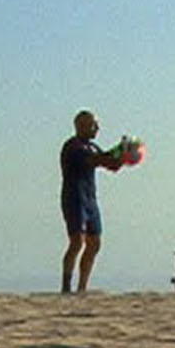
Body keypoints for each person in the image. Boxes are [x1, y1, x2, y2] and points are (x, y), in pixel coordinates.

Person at [60, 110, 127, 293]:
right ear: (81, 126)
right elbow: (96, 160)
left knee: (94, 243)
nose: (97, 128)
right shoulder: (72, 147)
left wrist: (125, 153)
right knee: (77, 242)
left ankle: (82, 287)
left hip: (90, 200)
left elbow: (111, 163)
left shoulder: (92, 146)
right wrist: (119, 150)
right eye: (93, 125)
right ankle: (66, 286)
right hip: (74, 199)